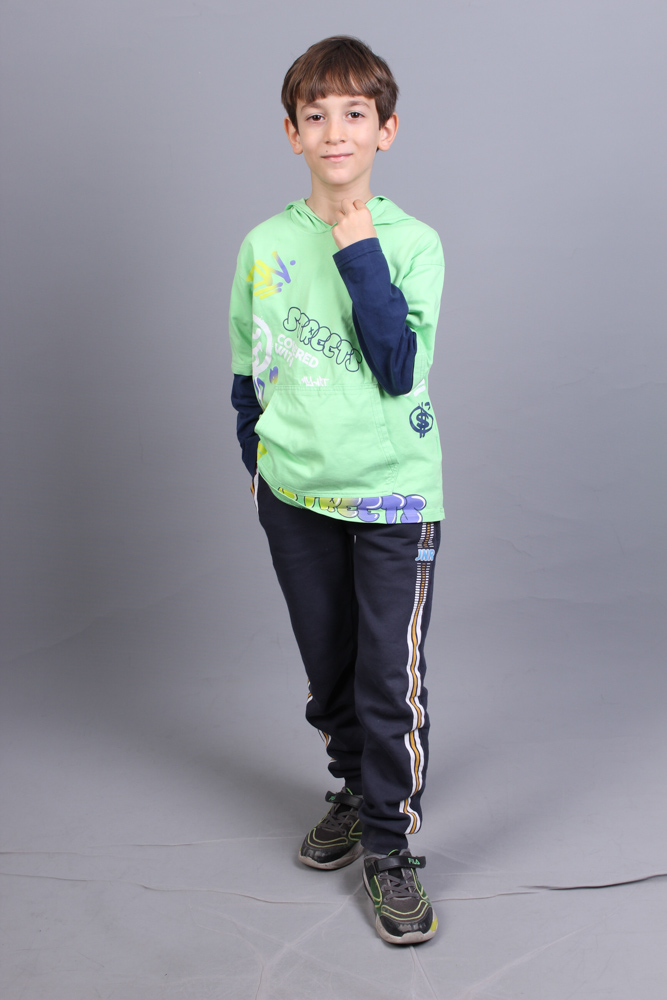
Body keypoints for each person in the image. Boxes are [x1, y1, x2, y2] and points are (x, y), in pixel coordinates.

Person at [229, 35, 445, 945]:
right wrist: (259, 461)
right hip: (294, 495)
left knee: (385, 678)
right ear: (292, 133)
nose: (334, 131)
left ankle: (389, 844)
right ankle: (356, 790)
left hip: (392, 498)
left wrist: (359, 253)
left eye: (354, 113)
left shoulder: (411, 243)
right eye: (314, 115)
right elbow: (247, 367)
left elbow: (397, 368)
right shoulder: (265, 243)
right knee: (328, 670)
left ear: (385, 129)